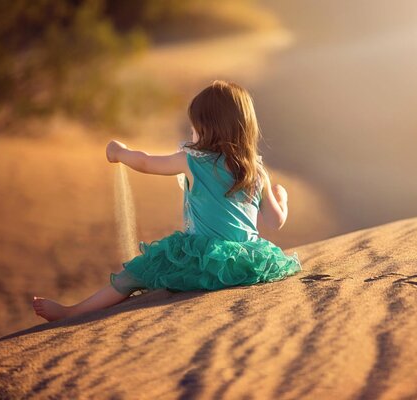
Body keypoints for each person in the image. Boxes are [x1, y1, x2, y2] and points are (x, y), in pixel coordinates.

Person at [32, 80, 302, 322]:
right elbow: (275, 221)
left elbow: (146, 162)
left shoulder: (191, 161)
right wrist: (282, 198)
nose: (192, 134)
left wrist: (120, 153)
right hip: (246, 263)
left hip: (202, 260)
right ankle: (71, 312)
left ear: (208, 129)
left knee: (133, 275)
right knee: (143, 272)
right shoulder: (256, 171)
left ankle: (72, 313)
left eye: (195, 128)